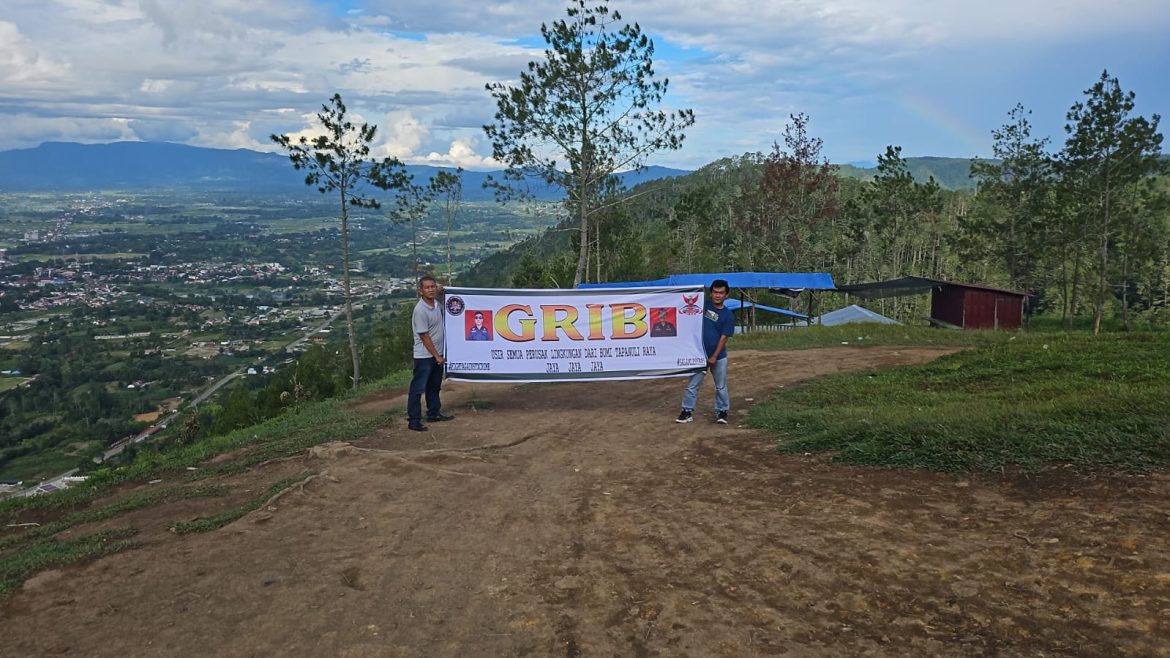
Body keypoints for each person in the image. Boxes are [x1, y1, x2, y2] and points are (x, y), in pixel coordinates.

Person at [676, 279, 735, 424]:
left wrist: (714, 356)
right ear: (711, 293)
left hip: (718, 357)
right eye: (715, 292)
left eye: (721, 293)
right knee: (692, 385)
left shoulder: (728, 316)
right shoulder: (702, 306)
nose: (717, 295)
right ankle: (686, 411)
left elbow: (724, 338)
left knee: (720, 386)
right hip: (698, 355)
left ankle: (722, 412)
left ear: (726, 295)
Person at [408, 275, 454, 432]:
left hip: (437, 353)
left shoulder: (436, 305)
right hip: (425, 356)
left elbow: (444, 295)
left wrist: (443, 290)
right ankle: (414, 420)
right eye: (427, 287)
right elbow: (424, 336)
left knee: (434, 386)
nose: (431, 289)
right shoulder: (420, 310)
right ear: (421, 291)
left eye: (433, 286)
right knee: (418, 388)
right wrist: (437, 356)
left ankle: (434, 413)